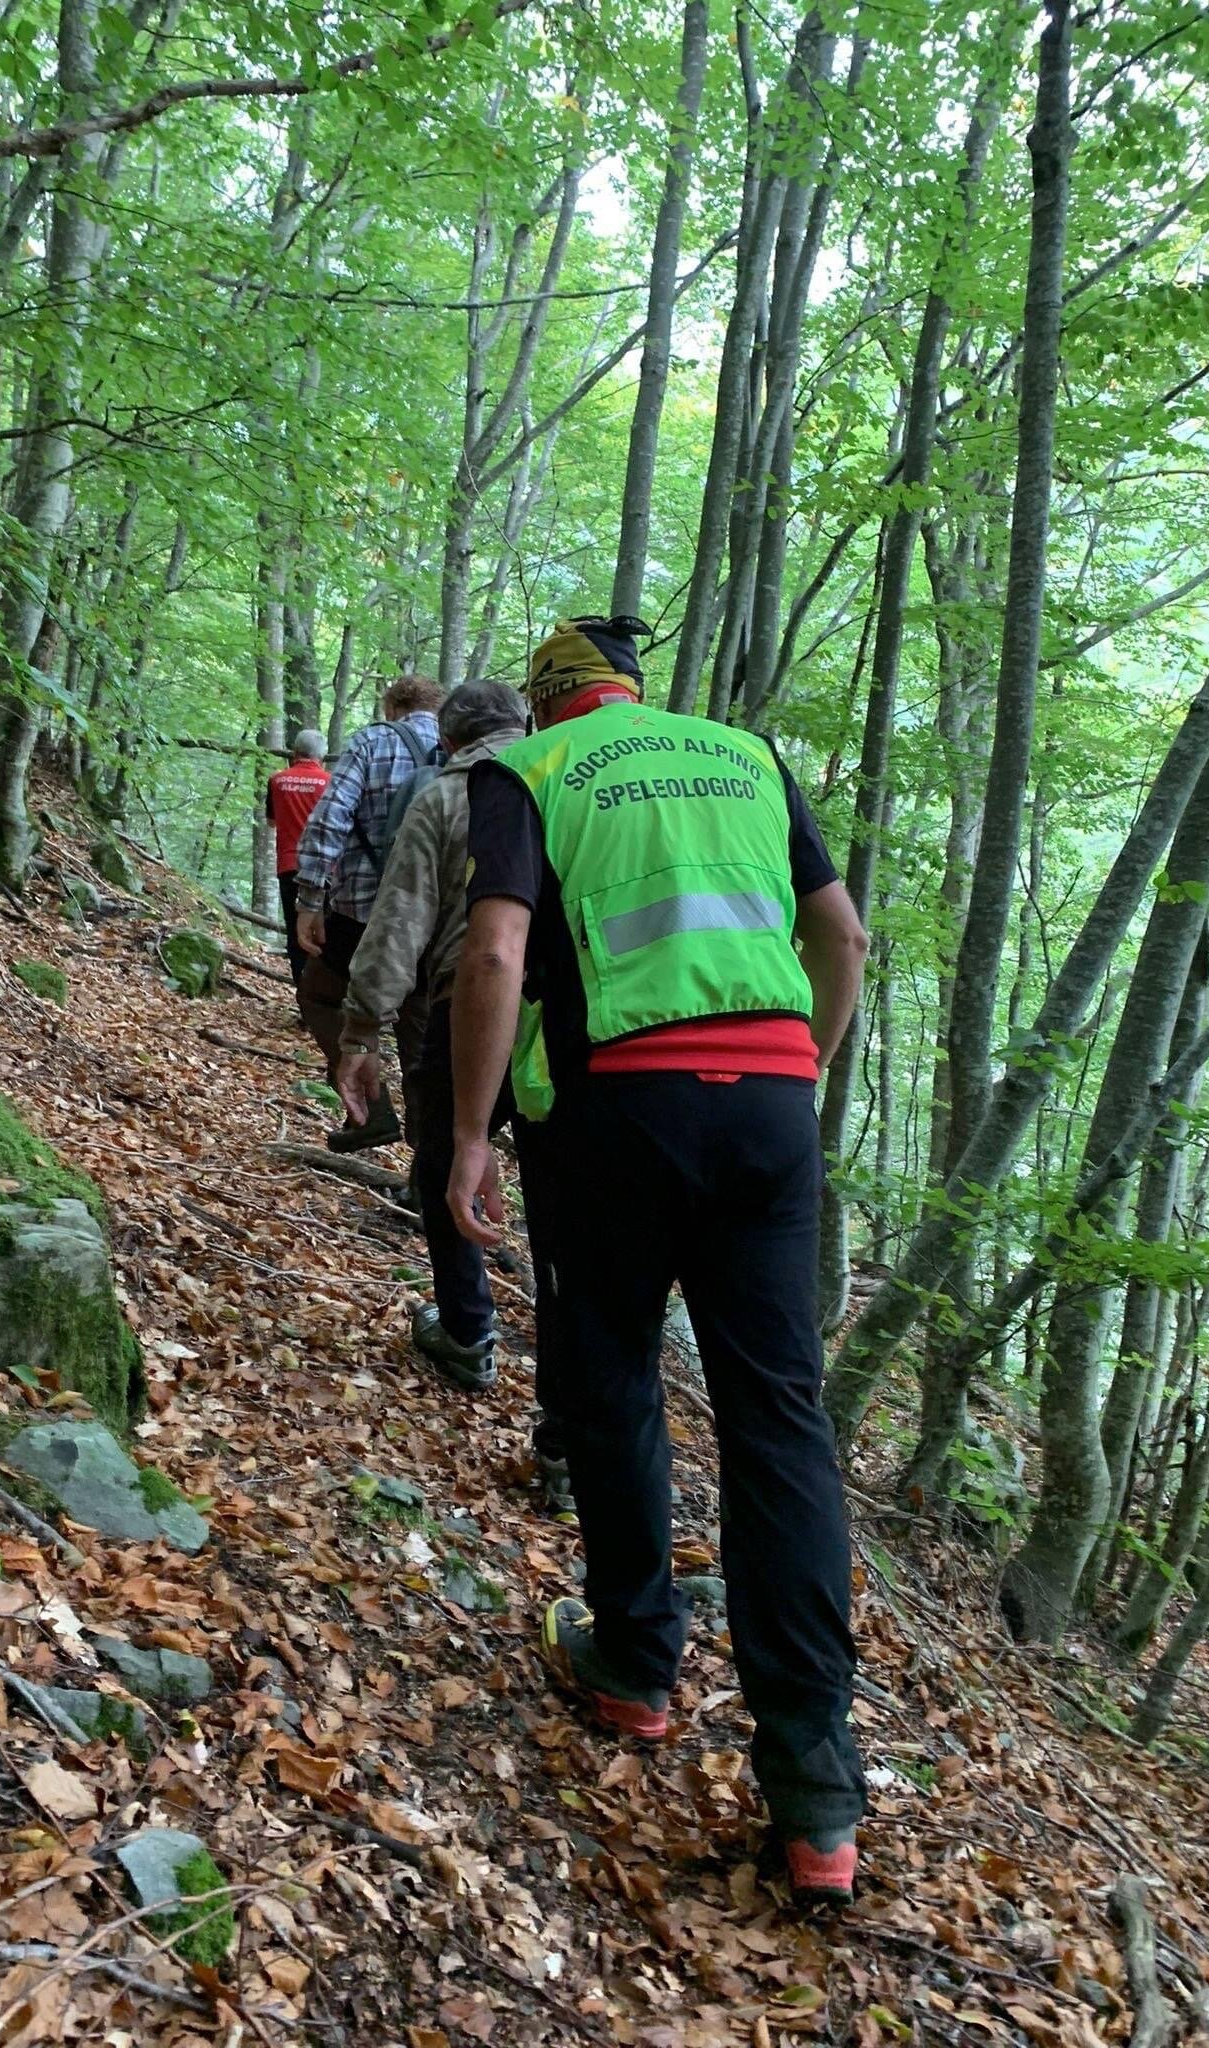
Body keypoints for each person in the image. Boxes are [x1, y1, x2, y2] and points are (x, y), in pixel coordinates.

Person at [446, 615, 871, 1907]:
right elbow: (842, 937)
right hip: (769, 1110)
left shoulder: (530, 775)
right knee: (779, 1424)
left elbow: (497, 952)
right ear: (633, 690)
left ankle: (634, 1665)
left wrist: (469, 1134)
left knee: (615, 1373)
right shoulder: (745, 756)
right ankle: (816, 1795)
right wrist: (804, 1073)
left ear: (548, 702)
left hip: (616, 1113)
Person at [336, 680, 573, 1520]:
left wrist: (359, 1031)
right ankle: (567, 1429)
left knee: (442, 1166)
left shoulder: (443, 795)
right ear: (523, 726)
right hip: (563, 1023)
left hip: (455, 1004)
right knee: (562, 1213)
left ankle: (470, 1332)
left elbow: (401, 917)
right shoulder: (568, 778)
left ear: (452, 739)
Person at [295, 676, 444, 1153]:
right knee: (420, 1040)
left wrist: (309, 901)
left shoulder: (372, 741)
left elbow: (329, 820)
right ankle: (429, 1177)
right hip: (432, 921)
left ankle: (370, 1109)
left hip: (362, 914)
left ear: (393, 705)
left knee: (321, 994)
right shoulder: (462, 749)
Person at [266, 730, 330, 985]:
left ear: (294, 754)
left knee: (296, 931)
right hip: (325, 868)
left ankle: (303, 996)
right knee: (325, 931)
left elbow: (271, 821)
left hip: (289, 865)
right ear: (321, 757)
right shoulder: (330, 782)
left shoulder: (276, 780)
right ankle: (324, 996)